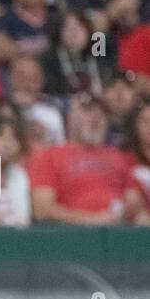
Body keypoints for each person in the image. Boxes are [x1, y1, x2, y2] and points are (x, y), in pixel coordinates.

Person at [27, 93, 132, 224]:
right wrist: (92, 220)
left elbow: (133, 201)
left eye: (102, 112)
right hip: (71, 235)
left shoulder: (121, 157)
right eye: (87, 110)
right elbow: (42, 209)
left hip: (119, 231)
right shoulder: (48, 156)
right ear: (71, 116)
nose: (96, 116)